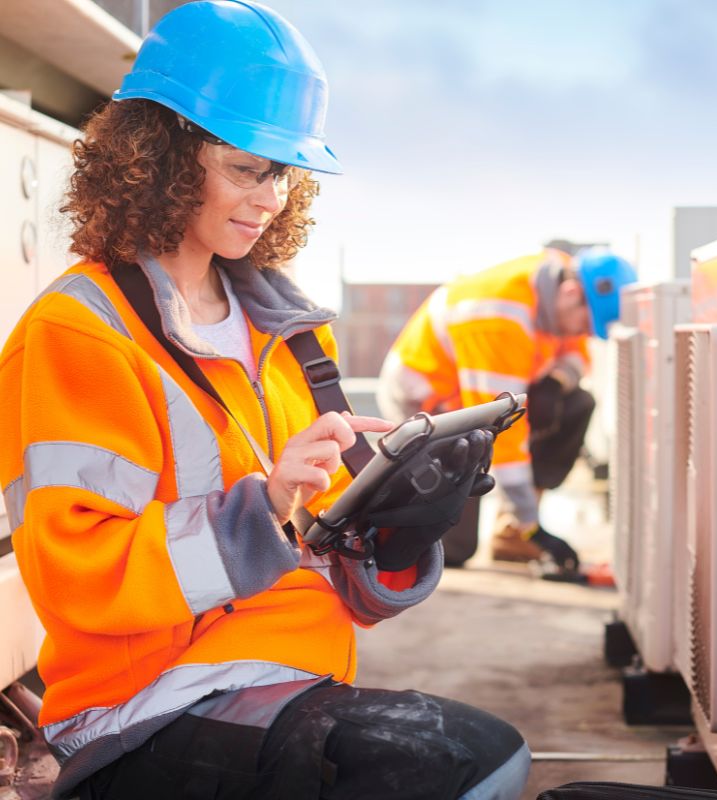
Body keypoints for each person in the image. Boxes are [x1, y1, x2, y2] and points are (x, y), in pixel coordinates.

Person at [0, 2, 531, 798]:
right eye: (247, 167)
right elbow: (82, 578)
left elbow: (335, 575)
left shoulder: (285, 332)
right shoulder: (79, 333)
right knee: (462, 764)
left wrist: (400, 523)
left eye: (283, 170)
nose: (274, 196)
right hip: (146, 706)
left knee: (485, 755)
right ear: (162, 157)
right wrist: (269, 503)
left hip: (283, 676)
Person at [377, 246, 637, 571]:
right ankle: (516, 525)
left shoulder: (563, 280)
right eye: (585, 325)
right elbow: (502, 436)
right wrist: (535, 528)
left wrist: (554, 384)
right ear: (571, 293)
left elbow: (578, 355)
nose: (583, 334)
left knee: (576, 404)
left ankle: (510, 534)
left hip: (490, 389)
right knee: (452, 551)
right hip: (428, 408)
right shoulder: (499, 317)